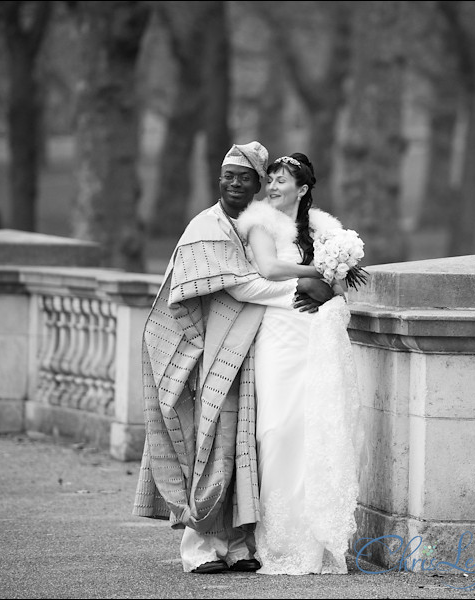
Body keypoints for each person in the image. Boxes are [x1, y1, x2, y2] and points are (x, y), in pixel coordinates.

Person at [132, 142, 335, 575]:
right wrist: (303, 290)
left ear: (258, 185)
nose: (235, 184)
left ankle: (239, 544)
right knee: (208, 444)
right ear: (219, 179)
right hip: (206, 351)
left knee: (242, 448)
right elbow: (242, 287)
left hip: (247, 350)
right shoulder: (207, 227)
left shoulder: (253, 223)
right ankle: (199, 547)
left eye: (245, 178)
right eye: (229, 176)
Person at [233, 152, 362, 575]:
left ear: (302, 189)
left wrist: (330, 282)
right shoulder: (259, 222)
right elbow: (268, 268)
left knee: (316, 429)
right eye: (270, 179)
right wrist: (315, 271)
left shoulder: (324, 228)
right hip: (278, 336)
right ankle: (275, 539)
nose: (271, 187)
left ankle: (314, 541)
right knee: (277, 428)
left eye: (281, 181)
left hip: (315, 335)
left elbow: (341, 287)